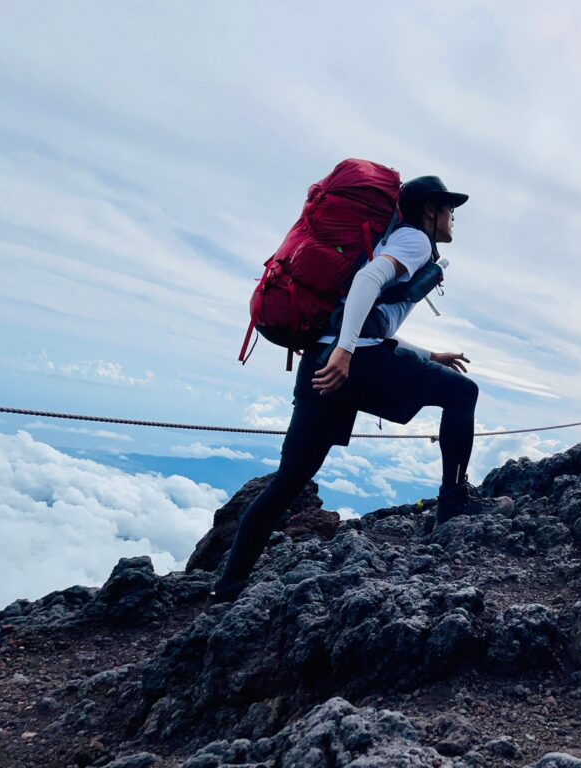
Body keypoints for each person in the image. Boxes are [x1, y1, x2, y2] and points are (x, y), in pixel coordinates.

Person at [209, 176, 513, 604]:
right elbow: (367, 282)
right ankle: (454, 501)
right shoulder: (415, 242)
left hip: (320, 362)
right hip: (355, 363)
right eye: (450, 209)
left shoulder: (394, 239)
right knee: (463, 394)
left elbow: (372, 317)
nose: (453, 218)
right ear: (430, 210)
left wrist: (426, 355)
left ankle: (227, 587)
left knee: (288, 482)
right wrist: (348, 354)